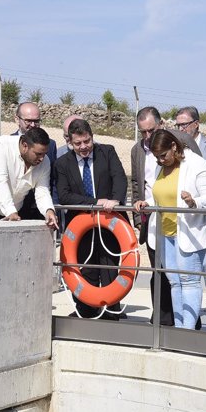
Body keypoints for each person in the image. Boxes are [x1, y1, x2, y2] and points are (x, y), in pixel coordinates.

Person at [134, 130, 206, 329]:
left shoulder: (196, 163)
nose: (161, 160)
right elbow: (161, 194)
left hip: (188, 233)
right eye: (157, 157)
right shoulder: (160, 166)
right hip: (165, 233)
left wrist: (193, 201)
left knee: (189, 281)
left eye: (163, 155)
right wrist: (146, 202)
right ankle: (179, 328)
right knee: (174, 282)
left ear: (174, 146)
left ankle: (188, 330)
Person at [55, 119, 128, 319]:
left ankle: (111, 309)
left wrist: (115, 200)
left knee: (109, 266)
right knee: (85, 266)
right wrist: (96, 201)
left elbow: (120, 179)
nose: (83, 147)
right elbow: (64, 195)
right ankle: (86, 309)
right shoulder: (62, 163)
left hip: (110, 222)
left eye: (87, 141)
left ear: (92, 137)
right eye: (78, 144)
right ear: (70, 142)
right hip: (80, 224)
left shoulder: (108, 152)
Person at [176, 106, 206, 321]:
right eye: (178, 125)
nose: (181, 128)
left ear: (196, 123)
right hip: (183, 213)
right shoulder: (177, 147)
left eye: (184, 124)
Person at [0, 127, 58, 230]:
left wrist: (49, 211)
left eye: (44, 154)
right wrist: (10, 211)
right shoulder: (1, 145)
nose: (42, 158)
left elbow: (42, 190)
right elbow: (0, 181)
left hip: (12, 216)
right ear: (25, 146)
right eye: (38, 154)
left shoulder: (45, 162)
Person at [13, 102, 58, 220]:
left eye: (36, 121)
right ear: (17, 119)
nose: (33, 125)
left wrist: (50, 208)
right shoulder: (7, 144)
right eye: (28, 121)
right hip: (13, 209)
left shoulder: (50, 145)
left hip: (39, 208)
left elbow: (51, 179)